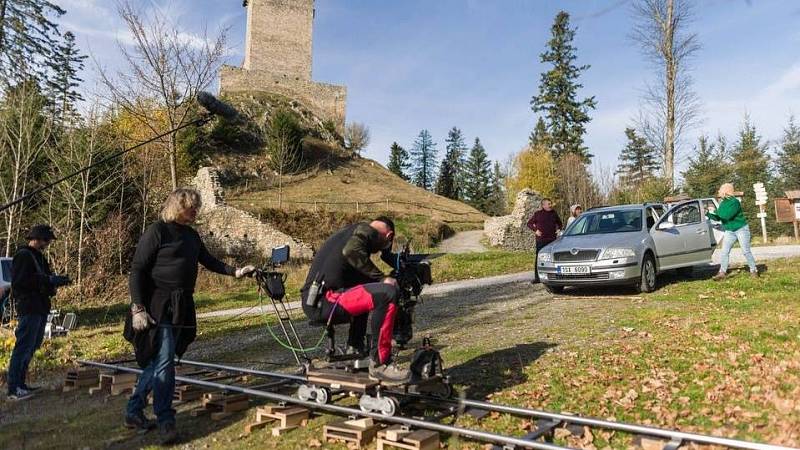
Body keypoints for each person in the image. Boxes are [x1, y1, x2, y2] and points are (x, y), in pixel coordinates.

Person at [123, 188, 256, 444]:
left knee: (161, 361)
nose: (196, 211)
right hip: (157, 304)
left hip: (181, 306)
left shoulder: (192, 236)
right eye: (191, 207)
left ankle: (133, 410)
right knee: (165, 361)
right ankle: (166, 421)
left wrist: (236, 272)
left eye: (197, 207)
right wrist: (137, 308)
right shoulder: (157, 231)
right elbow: (137, 270)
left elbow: (209, 261)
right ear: (178, 206)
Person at [300, 217, 409, 384]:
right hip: (326, 299)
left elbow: (354, 262)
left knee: (370, 291)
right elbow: (351, 251)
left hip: (315, 300)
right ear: (389, 236)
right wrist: (382, 278)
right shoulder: (368, 231)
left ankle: (355, 348)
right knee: (387, 293)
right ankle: (380, 365)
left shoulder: (349, 232)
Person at [6, 225, 70, 401]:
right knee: (23, 346)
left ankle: (21, 384)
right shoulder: (23, 255)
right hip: (29, 306)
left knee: (33, 345)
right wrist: (47, 280)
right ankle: (14, 388)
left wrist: (56, 282)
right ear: (37, 238)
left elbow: (45, 279)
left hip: (40, 306)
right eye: (46, 240)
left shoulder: (39, 257)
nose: (47, 244)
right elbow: (20, 283)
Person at [706, 183, 758, 280]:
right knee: (724, 252)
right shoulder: (723, 203)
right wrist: (708, 213)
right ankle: (722, 273)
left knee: (746, 251)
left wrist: (715, 211)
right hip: (729, 231)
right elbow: (718, 218)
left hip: (741, 229)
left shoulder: (734, 202)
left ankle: (753, 270)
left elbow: (727, 216)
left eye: (720, 189)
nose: (718, 191)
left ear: (726, 191)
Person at [527, 198, 563, 284]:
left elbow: (560, 223)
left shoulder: (554, 213)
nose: (551, 205)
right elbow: (529, 223)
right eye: (549, 204)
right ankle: (537, 278)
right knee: (539, 258)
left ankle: (555, 275)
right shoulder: (538, 214)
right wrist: (536, 230)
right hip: (541, 240)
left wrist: (559, 229)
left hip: (552, 240)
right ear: (543, 205)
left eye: (551, 203)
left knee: (553, 257)